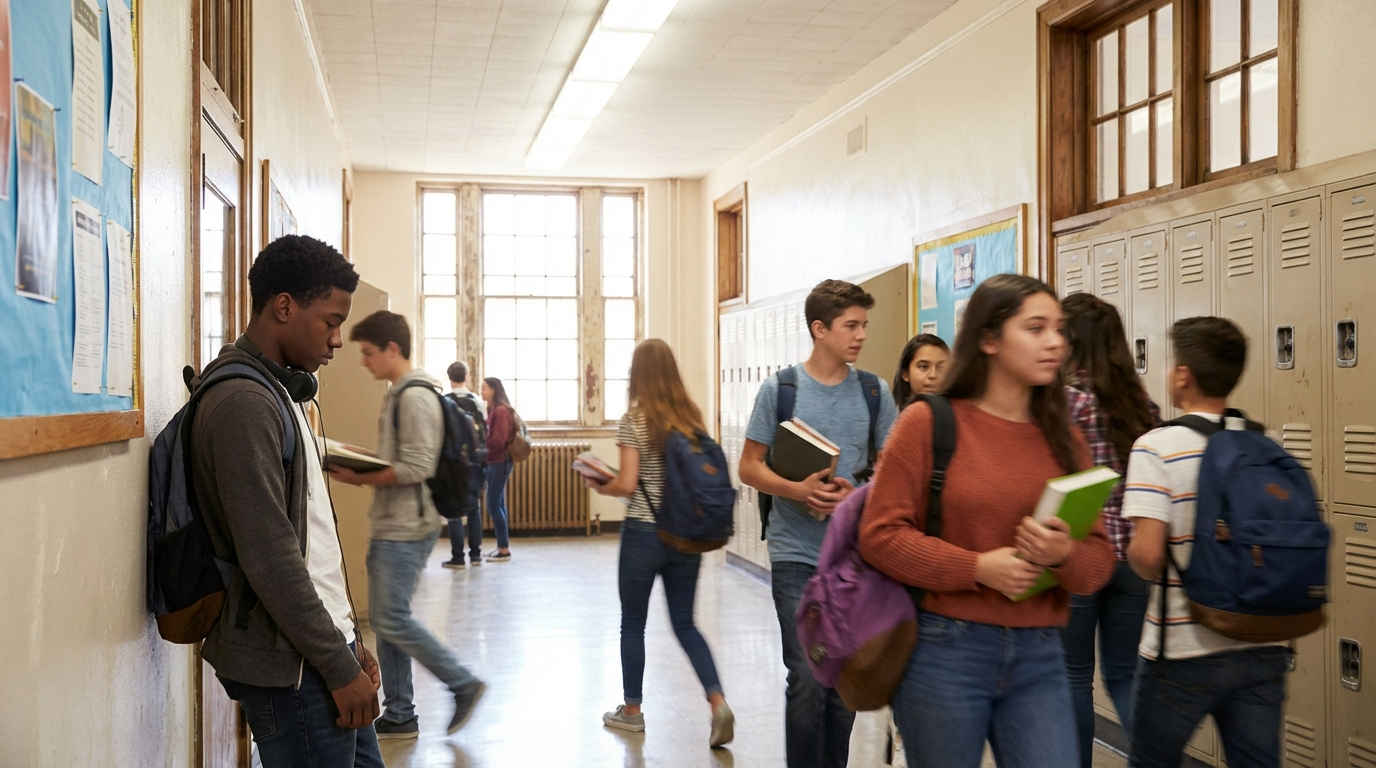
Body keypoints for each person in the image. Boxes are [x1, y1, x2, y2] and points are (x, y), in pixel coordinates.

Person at [859, 273, 1115, 768]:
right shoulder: (927, 422)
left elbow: (1099, 563)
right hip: (944, 650)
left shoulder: (1066, 437)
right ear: (989, 340)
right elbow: (880, 537)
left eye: (1059, 329)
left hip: (1040, 652)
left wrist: (1063, 554)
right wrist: (976, 567)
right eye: (1036, 328)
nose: (1056, 342)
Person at [189, 235, 383, 767]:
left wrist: (350, 641)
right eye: (331, 321)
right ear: (283, 306)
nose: (339, 339)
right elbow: (270, 556)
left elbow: (313, 541)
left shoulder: (281, 391)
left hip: (323, 647)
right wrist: (336, 663)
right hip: (297, 666)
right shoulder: (244, 403)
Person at [738, 279, 900, 768]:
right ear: (820, 329)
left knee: (841, 681)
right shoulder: (781, 389)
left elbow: (894, 472)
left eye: (864, 325)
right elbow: (749, 466)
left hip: (852, 559)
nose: (861, 336)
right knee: (808, 676)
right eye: (851, 325)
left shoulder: (875, 392)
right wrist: (798, 490)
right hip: (795, 554)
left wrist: (860, 497)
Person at [1123, 317, 1288, 768]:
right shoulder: (1263, 443)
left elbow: (1149, 555)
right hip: (1263, 643)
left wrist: (1128, 549)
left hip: (1182, 651)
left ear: (1182, 375)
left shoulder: (1157, 446)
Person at [329, 310, 486, 740]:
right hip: (394, 524)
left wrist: (360, 475)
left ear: (392, 349)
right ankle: (400, 712)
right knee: (387, 619)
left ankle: (462, 683)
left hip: (405, 527)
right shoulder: (402, 393)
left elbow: (417, 466)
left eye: (368, 353)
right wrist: (355, 455)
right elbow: (403, 458)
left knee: (392, 620)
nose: (364, 361)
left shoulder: (414, 397)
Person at [587, 339, 735, 748]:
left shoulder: (634, 419)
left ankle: (631, 712)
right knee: (686, 623)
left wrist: (600, 483)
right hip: (685, 534)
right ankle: (718, 700)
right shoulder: (691, 418)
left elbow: (628, 484)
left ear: (638, 374)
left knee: (633, 623)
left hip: (643, 534)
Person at [1059, 294, 1160, 766]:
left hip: (1081, 555)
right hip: (1135, 556)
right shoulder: (1144, 407)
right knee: (1124, 673)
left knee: (1074, 676)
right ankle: (1157, 756)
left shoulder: (1065, 403)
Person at [442, 360, 487, 569]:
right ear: (466, 377)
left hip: (452, 463)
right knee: (474, 509)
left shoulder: (443, 401)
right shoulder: (477, 401)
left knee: (453, 511)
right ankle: (476, 555)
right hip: (475, 462)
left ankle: (458, 557)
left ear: (449, 377)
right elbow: (484, 431)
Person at [481, 376, 515, 562]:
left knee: (493, 504)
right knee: (498, 503)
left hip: (499, 461)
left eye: (484, 388)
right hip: (495, 461)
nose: (482, 391)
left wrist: (481, 445)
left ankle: (503, 549)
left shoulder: (501, 411)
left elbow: (498, 440)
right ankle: (502, 546)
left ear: (494, 389)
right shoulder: (494, 410)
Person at [891, 333, 950, 408]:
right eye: (923, 367)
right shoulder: (892, 415)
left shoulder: (958, 414)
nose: (933, 375)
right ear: (905, 374)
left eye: (941, 367)